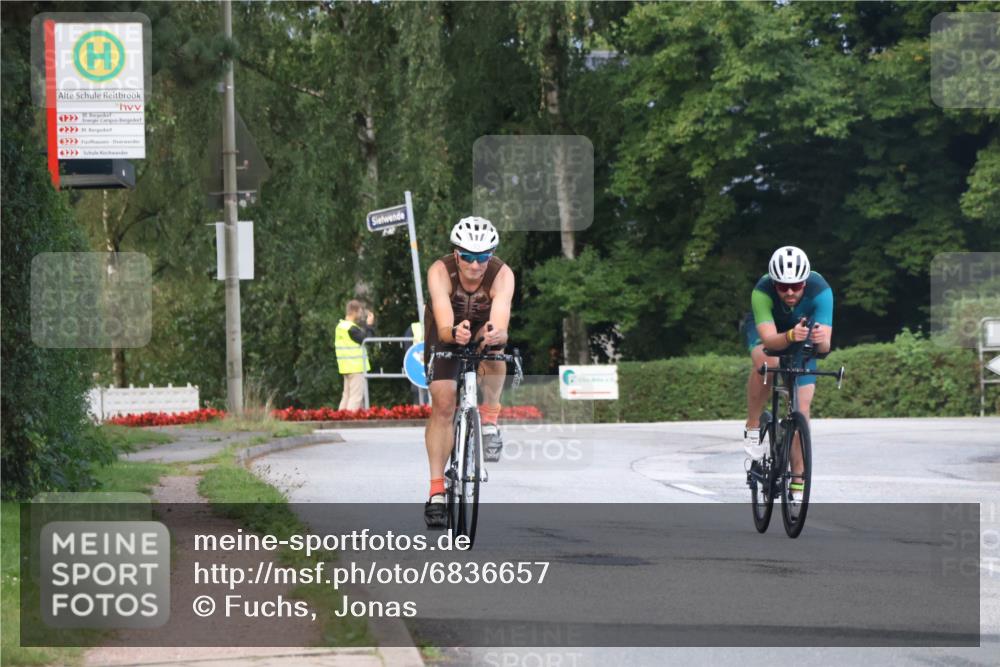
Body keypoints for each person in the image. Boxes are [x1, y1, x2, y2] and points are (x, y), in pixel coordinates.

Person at [422, 217, 515, 528]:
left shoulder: (502, 274)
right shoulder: (440, 271)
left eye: (483, 257)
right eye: (469, 257)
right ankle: (437, 492)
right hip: (446, 329)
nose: (476, 266)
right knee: (444, 402)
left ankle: (489, 419)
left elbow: (501, 317)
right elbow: (443, 314)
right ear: (456, 254)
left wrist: (496, 334)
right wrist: (452, 333)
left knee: (496, 352)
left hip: (481, 330)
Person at [742, 246, 833, 503]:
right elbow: (770, 340)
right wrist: (791, 335)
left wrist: (819, 340)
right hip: (771, 332)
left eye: (796, 285)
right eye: (783, 287)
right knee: (767, 363)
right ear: (774, 283)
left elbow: (825, 348)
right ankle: (752, 425)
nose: (790, 292)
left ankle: (798, 479)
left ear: (806, 282)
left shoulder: (821, 291)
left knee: (802, 409)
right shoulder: (762, 291)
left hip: (802, 336)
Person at [335, 300, 375, 411]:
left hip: (346, 367)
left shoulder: (341, 326)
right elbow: (367, 340)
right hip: (356, 367)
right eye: (360, 312)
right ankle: (348, 421)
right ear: (354, 311)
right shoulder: (351, 328)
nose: (361, 315)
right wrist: (369, 325)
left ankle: (339, 419)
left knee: (346, 396)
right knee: (356, 397)